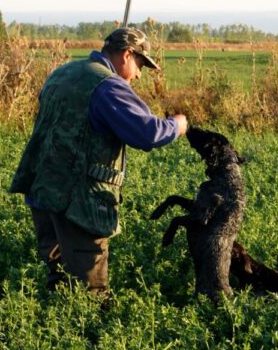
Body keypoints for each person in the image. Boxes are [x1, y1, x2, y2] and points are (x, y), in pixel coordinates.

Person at [10, 27, 188, 295]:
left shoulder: (62, 73)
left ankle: (57, 327)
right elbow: (147, 133)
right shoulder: (108, 87)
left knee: (59, 280)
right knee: (90, 292)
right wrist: (177, 125)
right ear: (127, 54)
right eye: (140, 64)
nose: (139, 74)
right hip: (78, 203)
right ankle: (87, 333)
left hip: (42, 192)